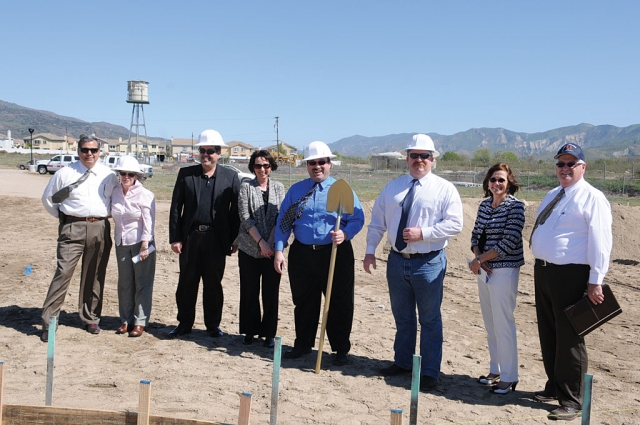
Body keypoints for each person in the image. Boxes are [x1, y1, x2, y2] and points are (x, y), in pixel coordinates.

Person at [363, 134, 463, 391]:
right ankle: (403, 362)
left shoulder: (444, 189)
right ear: (407, 158)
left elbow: (455, 224)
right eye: (414, 155)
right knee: (403, 317)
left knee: (429, 319)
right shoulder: (392, 188)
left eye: (425, 156)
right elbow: (377, 222)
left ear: (433, 159)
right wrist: (370, 250)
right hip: (397, 261)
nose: (419, 160)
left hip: (428, 262)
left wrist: (424, 233)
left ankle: (429, 371)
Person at [530, 143, 612, 421]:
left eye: (571, 164)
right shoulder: (555, 194)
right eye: (561, 164)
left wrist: (595, 280)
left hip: (572, 274)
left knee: (569, 337)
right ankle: (554, 385)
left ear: (583, 167)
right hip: (544, 271)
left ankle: (572, 399)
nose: (564, 169)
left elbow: (601, 241)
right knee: (549, 331)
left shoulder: (592, 197)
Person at [273, 141, 364, 366]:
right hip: (302, 254)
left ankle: (340, 349)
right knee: (304, 301)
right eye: (312, 163)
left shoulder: (341, 189)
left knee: (339, 302)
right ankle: (303, 345)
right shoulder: (296, 190)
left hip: (335, 253)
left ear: (329, 164)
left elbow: (358, 218)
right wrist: (278, 249)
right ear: (307, 166)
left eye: (321, 162)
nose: (317, 166)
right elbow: (284, 222)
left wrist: (345, 233)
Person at [40, 136, 119, 341]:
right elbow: (49, 200)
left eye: (93, 150)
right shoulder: (65, 173)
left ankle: (90, 317)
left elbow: (114, 200)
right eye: (85, 150)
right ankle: (50, 322)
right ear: (78, 151)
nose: (89, 154)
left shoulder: (108, 175)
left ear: (100, 152)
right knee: (63, 272)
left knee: (94, 274)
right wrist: (65, 218)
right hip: (72, 227)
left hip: (100, 226)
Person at [168, 129, 240, 338]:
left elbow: (235, 212)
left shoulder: (230, 177)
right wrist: (175, 238)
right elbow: (175, 208)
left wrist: (234, 239)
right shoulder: (186, 175)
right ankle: (184, 324)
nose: (206, 154)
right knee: (186, 283)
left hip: (217, 239)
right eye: (203, 150)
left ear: (219, 153)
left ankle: (212, 325)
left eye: (211, 151)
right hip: (191, 237)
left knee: (213, 284)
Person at [469, 163, 525, 394]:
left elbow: (509, 241)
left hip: (504, 270)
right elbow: (475, 236)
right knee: (491, 324)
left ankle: (510, 376)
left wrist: (481, 259)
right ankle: (496, 369)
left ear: (509, 182)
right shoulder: (484, 206)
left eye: (501, 180)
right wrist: (478, 258)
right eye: (493, 180)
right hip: (484, 270)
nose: (497, 184)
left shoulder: (516, 207)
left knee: (503, 323)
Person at [234, 150, 285, 348]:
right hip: (249, 248)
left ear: (271, 166)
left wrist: (270, 242)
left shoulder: (280, 188)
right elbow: (245, 217)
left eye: (266, 165)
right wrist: (260, 243)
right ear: (252, 167)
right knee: (249, 291)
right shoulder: (246, 187)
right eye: (258, 165)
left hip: (273, 248)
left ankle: (269, 333)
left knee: (271, 293)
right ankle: (250, 330)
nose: (262, 169)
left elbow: (281, 217)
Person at [111, 156, 156, 338]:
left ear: (137, 175)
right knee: (125, 283)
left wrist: (145, 245)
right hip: (121, 242)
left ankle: (140, 321)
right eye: (123, 173)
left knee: (142, 283)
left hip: (140, 243)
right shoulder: (114, 192)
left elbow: (149, 222)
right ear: (119, 174)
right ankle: (125, 320)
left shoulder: (145, 194)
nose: (126, 176)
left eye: (130, 174)